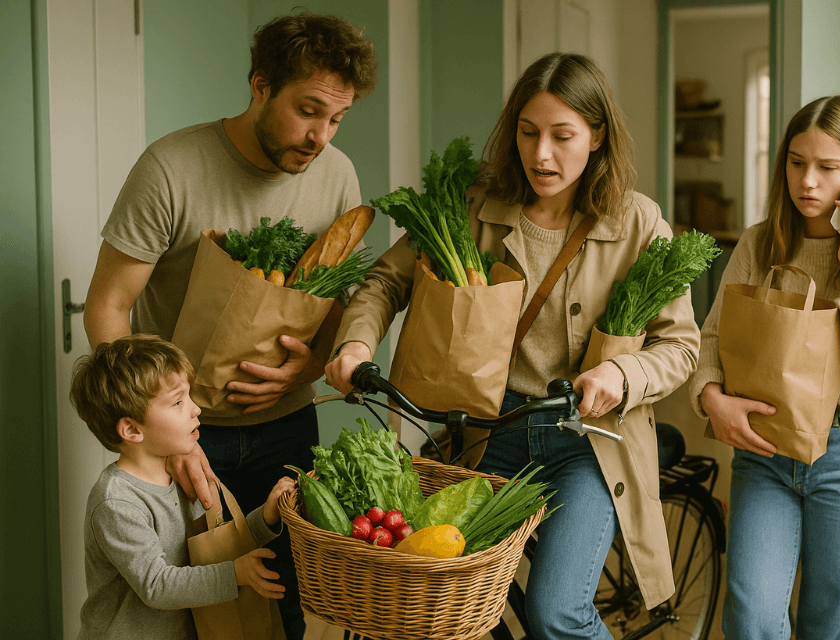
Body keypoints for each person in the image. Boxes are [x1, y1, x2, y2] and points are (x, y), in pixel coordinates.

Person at [326, 52, 699, 640]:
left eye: (562, 135)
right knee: (441, 595)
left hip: (587, 444)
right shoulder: (475, 206)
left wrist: (622, 376)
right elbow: (386, 281)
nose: (541, 154)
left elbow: (679, 347)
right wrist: (354, 345)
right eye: (528, 133)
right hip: (489, 435)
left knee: (556, 613)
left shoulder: (638, 223)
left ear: (597, 136)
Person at [82, 12, 377, 638]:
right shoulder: (171, 167)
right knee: (193, 611)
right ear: (260, 85)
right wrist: (175, 445)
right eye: (308, 110)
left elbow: (340, 300)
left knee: (287, 599)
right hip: (185, 436)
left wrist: (311, 359)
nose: (321, 135)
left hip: (288, 425)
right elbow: (108, 306)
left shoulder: (337, 175)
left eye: (337, 119)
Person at [688, 95, 840, 639]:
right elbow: (712, 340)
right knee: (750, 618)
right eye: (796, 163)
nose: (808, 181)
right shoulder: (760, 242)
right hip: (766, 451)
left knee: (830, 623)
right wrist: (711, 398)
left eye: (827, 167)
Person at [70, 334, 296, 640]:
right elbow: (158, 586)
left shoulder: (180, 478)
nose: (195, 409)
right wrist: (235, 574)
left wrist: (266, 518)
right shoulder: (117, 502)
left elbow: (214, 548)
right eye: (178, 401)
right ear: (132, 429)